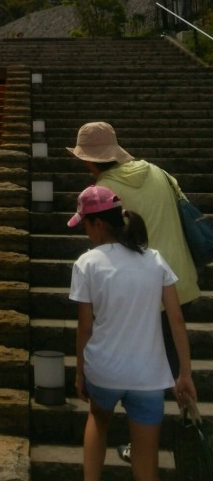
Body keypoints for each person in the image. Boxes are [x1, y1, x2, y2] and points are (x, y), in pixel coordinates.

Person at [67, 120, 200, 464]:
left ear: (91, 160)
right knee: (161, 368)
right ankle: (167, 430)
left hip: (139, 286)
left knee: (131, 367)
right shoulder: (157, 171)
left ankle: (140, 442)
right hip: (177, 281)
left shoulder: (106, 189)